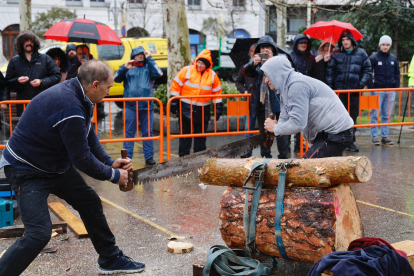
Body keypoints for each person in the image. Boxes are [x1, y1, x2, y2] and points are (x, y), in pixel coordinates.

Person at [0, 60, 145, 276]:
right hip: (26, 169)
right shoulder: (70, 105)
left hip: (53, 165)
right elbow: (82, 159)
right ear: (95, 85)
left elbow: (87, 132)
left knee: (89, 202)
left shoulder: (82, 95)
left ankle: (110, 259)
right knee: (39, 233)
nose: (109, 93)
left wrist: (108, 161)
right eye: (108, 88)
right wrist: (115, 175)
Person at [263, 56, 354, 158]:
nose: (266, 81)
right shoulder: (285, 89)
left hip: (337, 133)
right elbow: (285, 117)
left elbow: (298, 123)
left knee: (304, 170)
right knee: (321, 171)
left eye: (268, 76)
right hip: (327, 133)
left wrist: (276, 128)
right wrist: (277, 129)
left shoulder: (296, 86)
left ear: (277, 74)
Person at [241, 35, 289, 159]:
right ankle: (266, 156)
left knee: (281, 130)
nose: (265, 50)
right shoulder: (256, 62)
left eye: (268, 47)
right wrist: (253, 64)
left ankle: (283, 156)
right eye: (262, 47)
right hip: (261, 103)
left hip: (277, 103)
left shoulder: (279, 59)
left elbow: (287, 71)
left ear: (273, 49)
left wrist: (272, 61)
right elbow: (245, 73)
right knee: (264, 131)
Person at [114, 46, 163, 166]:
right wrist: (124, 68)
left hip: (146, 107)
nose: (140, 56)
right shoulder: (128, 68)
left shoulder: (149, 67)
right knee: (129, 133)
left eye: (142, 54)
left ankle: (149, 157)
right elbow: (115, 78)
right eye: (138, 54)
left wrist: (150, 58)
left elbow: (159, 73)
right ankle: (126, 158)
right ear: (133, 56)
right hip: (130, 106)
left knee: (148, 133)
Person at [170, 49, 223, 157]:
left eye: (202, 64)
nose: (199, 65)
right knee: (185, 136)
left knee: (200, 136)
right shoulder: (187, 70)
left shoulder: (212, 75)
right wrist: (174, 101)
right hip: (186, 108)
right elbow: (176, 85)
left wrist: (218, 107)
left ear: (207, 65)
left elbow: (217, 92)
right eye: (198, 62)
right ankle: (183, 159)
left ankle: (199, 158)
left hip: (203, 110)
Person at [326, 29, 372, 152]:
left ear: (352, 40)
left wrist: (361, 84)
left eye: (347, 39)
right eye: (343, 40)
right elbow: (330, 72)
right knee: (338, 117)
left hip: (354, 92)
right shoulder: (335, 54)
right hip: (339, 92)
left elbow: (367, 70)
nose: (345, 42)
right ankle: (338, 140)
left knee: (352, 117)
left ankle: (350, 141)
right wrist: (330, 89)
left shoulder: (361, 53)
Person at [5, 31, 61, 116]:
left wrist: (42, 81)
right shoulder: (14, 61)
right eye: (26, 40)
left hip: (42, 102)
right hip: (22, 105)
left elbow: (57, 76)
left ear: (35, 43)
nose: (29, 43)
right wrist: (17, 81)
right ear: (21, 43)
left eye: (31, 41)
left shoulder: (45, 59)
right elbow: (7, 82)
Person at [368, 35, 400, 145]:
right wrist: (371, 86)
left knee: (386, 115)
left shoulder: (393, 58)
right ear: (380, 45)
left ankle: (385, 136)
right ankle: (375, 137)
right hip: (377, 90)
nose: (385, 47)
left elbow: (397, 72)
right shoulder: (374, 58)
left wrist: (396, 86)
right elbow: (368, 72)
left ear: (390, 46)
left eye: (387, 45)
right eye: (383, 45)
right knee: (375, 114)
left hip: (390, 91)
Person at [290, 34, 316, 152]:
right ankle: (297, 145)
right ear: (296, 44)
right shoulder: (291, 57)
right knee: (296, 118)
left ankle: (304, 143)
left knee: (307, 119)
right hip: (295, 91)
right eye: (301, 43)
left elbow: (315, 74)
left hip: (308, 92)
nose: (303, 45)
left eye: (305, 43)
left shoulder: (311, 58)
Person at [67, 45, 105, 119]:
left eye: (84, 54)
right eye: (79, 54)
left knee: (96, 129)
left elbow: (99, 82)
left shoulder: (97, 65)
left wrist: (88, 69)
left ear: (88, 54)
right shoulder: (74, 67)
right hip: (80, 103)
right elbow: (69, 83)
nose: (82, 56)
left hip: (95, 103)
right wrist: (78, 72)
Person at [235, 43, 256, 154]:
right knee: (248, 128)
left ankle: (265, 151)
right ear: (249, 53)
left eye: (256, 51)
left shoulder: (264, 66)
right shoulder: (245, 67)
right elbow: (238, 82)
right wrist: (244, 91)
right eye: (252, 51)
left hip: (260, 102)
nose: (254, 53)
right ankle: (248, 151)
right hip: (248, 101)